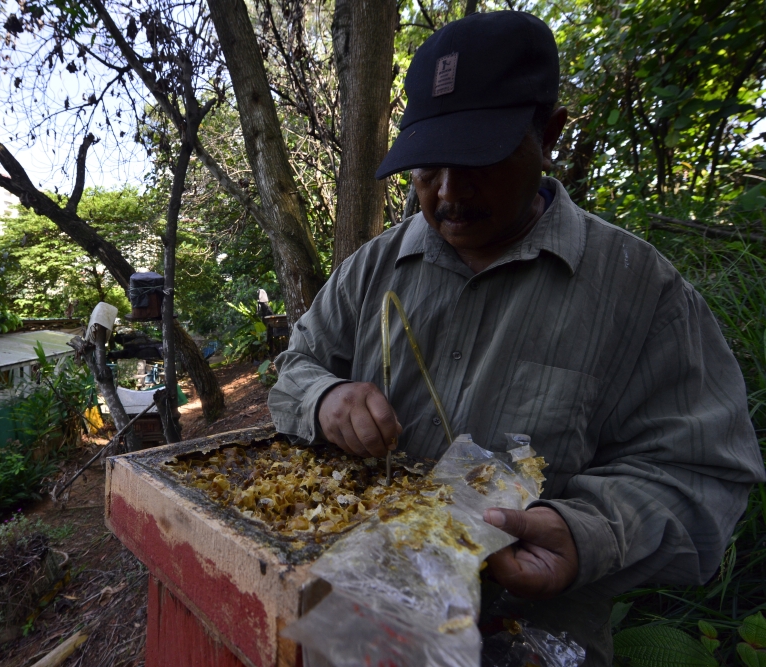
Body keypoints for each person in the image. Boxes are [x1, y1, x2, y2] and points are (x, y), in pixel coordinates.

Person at [267, 11, 765, 664]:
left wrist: (585, 533)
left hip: (527, 639)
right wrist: (326, 397)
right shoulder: (372, 270)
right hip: (356, 624)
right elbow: (295, 370)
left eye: (479, 158)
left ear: (549, 134)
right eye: (428, 167)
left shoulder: (642, 293)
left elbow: (705, 475)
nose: (448, 192)